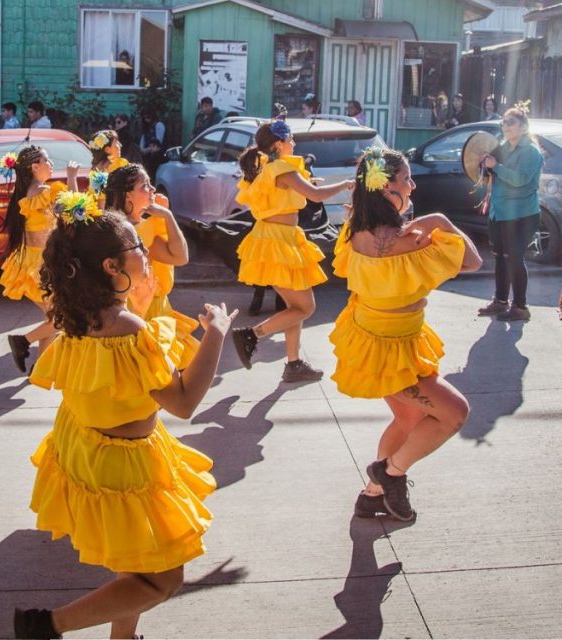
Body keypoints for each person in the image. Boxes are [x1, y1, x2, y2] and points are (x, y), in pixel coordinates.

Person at [13, 206, 237, 640]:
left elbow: (119, 371)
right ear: (111, 266)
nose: (146, 250)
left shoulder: (77, 312)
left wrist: (140, 299)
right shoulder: (127, 327)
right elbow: (185, 401)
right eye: (137, 245)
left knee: (134, 563)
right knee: (161, 580)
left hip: (86, 446)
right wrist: (217, 334)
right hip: (124, 467)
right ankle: (46, 626)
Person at [329, 147, 482, 521]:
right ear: (386, 190)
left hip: (371, 339)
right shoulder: (410, 242)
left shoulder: (354, 231)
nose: (413, 186)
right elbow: (474, 261)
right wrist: (440, 220)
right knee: (455, 414)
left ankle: (372, 496)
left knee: (409, 420)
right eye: (407, 179)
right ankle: (390, 473)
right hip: (387, 353)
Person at [228, 119, 353, 382]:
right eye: (290, 139)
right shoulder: (282, 168)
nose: (294, 143)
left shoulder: (265, 167)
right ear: (277, 144)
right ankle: (251, 334)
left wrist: (308, 181)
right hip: (279, 241)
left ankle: (293, 364)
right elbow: (315, 196)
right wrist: (344, 185)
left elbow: (284, 191)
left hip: (272, 238)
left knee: (293, 306)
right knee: (305, 307)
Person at [104, 163, 199, 368]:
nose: (153, 190)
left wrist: (167, 215)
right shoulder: (112, 231)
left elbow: (181, 257)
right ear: (128, 195)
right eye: (145, 186)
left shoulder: (148, 226)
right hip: (129, 313)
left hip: (159, 309)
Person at [0, 146, 79, 373]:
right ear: (35, 167)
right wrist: (72, 178)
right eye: (47, 160)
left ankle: (39, 370)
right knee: (63, 317)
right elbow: (73, 211)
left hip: (31, 262)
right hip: (40, 266)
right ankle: (22, 341)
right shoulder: (44, 192)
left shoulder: (29, 191)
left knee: (53, 318)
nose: (51, 163)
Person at [477, 103, 544, 321]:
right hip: (499, 212)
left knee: (514, 258)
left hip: (522, 215)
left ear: (523, 127)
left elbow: (520, 180)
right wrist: (484, 166)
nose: (505, 126)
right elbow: (487, 170)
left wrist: (495, 166)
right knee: (499, 257)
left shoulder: (532, 152)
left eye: (511, 122)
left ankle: (521, 307)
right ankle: (500, 301)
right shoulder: (502, 147)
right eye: (504, 122)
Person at [138, 110, 166, 181]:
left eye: (148, 117)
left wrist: (149, 149)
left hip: (157, 156)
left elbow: (158, 143)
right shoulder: (146, 128)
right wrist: (145, 149)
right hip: (147, 156)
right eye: (144, 118)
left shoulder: (158, 125)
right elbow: (142, 145)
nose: (146, 120)